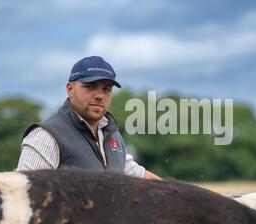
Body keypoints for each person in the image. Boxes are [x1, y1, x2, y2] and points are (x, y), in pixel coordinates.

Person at [17, 56, 161, 180]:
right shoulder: (46, 136)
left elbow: (138, 175)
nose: (99, 95)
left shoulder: (112, 135)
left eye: (106, 89)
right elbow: (25, 194)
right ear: (69, 89)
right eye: (90, 87)